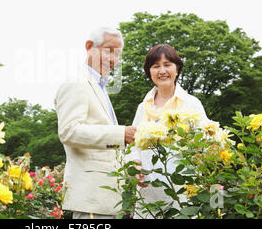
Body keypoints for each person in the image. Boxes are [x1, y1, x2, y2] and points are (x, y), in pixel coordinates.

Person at [54, 27, 137, 219]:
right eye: (108, 50)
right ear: (89, 47)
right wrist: (120, 134)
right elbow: (68, 131)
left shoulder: (99, 87)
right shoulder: (76, 82)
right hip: (90, 197)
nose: (112, 59)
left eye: (117, 54)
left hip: (105, 198)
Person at [127, 43, 208, 219]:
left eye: (167, 65)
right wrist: (134, 162)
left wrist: (196, 145)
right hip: (147, 193)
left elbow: (208, 139)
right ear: (149, 72)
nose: (162, 70)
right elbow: (133, 144)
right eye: (156, 66)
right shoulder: (143, 107)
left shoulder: (191, 103)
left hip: (182, 192)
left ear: (177, 69)